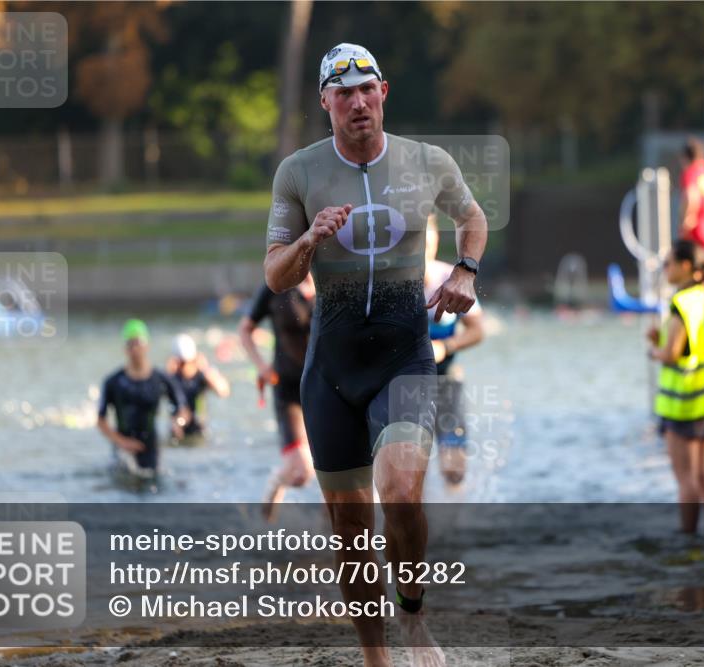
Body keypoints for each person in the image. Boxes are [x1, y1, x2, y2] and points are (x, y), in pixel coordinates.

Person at [262, 43, 487, 667]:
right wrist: (310, 238)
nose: (357, 102)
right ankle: (375, 658)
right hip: (330, 371)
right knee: (352, 533)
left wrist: (466, 271)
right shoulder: (298, 173)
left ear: (384, 91)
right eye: (343, 93)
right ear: (325, 102)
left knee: (402, 488)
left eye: (367, 89)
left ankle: (412, 612)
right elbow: (277, 276)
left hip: (405, 356)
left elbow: (473, 218)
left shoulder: (426, 161)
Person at [646, 240, 704, 536]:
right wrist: (660, 341)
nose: (665, 269)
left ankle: (688, 538)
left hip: (682, 402)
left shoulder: (681, 303)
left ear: (686, 266)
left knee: (686, 479)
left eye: (668, 263)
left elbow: (673, 353)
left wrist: (655, 351)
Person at [239, 273, 316, 521]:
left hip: (326, 387)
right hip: (288, 388)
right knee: (301, 471)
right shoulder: (276, 285)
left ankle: (336, 537)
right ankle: (272, 497)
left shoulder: (331, 280)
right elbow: (245, 330)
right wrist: (262, 366)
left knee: (336, 469)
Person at [424, 213, 485, 486]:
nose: (423, 243)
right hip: (401, 383)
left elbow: (477, 331)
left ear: (435, 238)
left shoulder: (450, 277)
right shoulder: (390, 284)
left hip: (446, 381)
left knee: (454, 470)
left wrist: (445, 346)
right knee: (407, 469)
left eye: (428, 235)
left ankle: (453, 524)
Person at [97, 319, 189, 478]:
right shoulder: (113, 381)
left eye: (138, 343)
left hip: (150, 448)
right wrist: (122, 442)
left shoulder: (161, 379)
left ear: (147, 345)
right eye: (130, 344)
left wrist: (177, 423)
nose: (135, 348)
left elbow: (183, 409)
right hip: (123, 450)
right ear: (125, 348)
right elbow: (101, 420)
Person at [165, 333, 231, 443]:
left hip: (198, 432)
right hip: (176, 431)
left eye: (187, 363)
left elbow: (223, 391)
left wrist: (207, 369)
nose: (184, 367)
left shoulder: (202, 376)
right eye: (181, 363)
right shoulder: (171, 378)